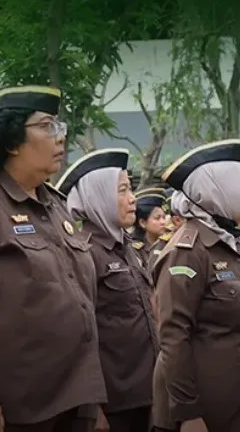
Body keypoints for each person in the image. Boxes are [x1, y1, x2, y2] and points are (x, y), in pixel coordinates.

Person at [0, 85, 106, 432]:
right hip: (25, 408)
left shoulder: (56, 206)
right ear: (12, 140)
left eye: (59, 126)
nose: (61, 137)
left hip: (76, 397)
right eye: (47, 126)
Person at [152, 139, 240, 432]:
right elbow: (173, 336)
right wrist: (187, 413)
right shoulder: (187, 251)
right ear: (216, 191)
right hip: (206, 414)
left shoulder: (226, 245)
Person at [56, 148, 159, 432]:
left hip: (146, 393)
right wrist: (92, 408)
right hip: (113, 404)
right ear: (98, 197)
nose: (132, 198)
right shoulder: (84, 252)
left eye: (131, 189)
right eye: (122, 190)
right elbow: (80, 336)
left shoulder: (127, 248)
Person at [132, 187, 168, 266]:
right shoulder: (134, 250)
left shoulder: (167, 245)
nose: (163, 222)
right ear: (143, 223)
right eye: (157, 218)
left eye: (164, 217)